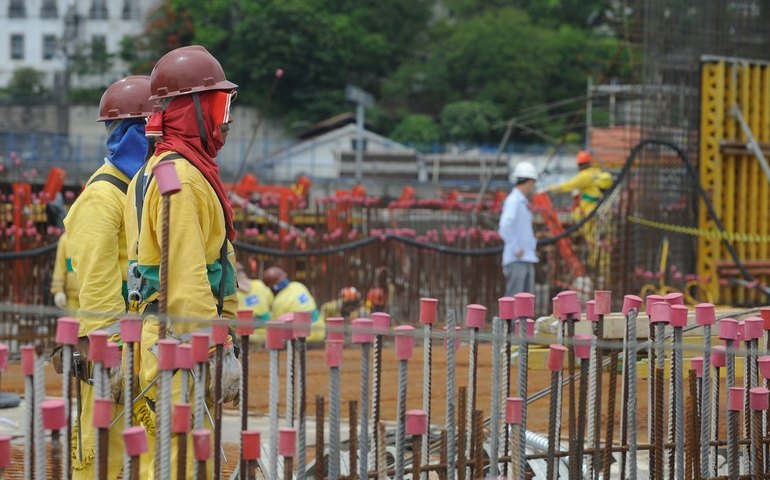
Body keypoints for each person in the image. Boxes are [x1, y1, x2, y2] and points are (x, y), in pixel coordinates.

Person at [123, 45, 240, 478]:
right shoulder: (183, 180)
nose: (225, 120)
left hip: (166, 339)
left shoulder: (160, 168)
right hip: (179, 344)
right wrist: (214, 346)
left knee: (168, 462)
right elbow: (187, 272)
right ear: (193, 109)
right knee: (180, 466)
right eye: (219, 106)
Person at [63, 75, 155, 478]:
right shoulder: (103, 196)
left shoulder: (138, 190)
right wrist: (112, 348)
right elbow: (97, 282)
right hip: (114, 349)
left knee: (145, 448)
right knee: (101, 453)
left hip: (141, 344)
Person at [498, 161, 539, 296]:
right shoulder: (514, 201)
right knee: (514, 301)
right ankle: (507, 319)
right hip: (516, 259)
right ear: (529, 181)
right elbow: (504, 226)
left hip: (525, 257)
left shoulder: (521, 201)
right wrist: (515, 248)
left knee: (526, 303)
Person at [544, 150, 612, 222]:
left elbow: (569, 185)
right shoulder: (596, 171)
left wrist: (550, 188)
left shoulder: (584, 175)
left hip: (589, 209)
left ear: (580, 164)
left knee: (585, 227)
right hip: (600, 207)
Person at [263, 266, 321, 342]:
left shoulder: (279, 302)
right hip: (319, 331)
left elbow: (275, 328)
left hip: (302, 337)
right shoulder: (298, 285)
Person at [236, 262, 274, 343]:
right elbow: (271, 302)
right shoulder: (259, 284)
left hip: (246, 338)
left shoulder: (231, 293)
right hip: (267, 334)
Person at [50, 230, 80, 311]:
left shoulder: (95, 237)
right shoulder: (65, 240)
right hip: (72, 298)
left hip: (93, 298)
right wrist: (58, 291)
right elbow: (59, 268)